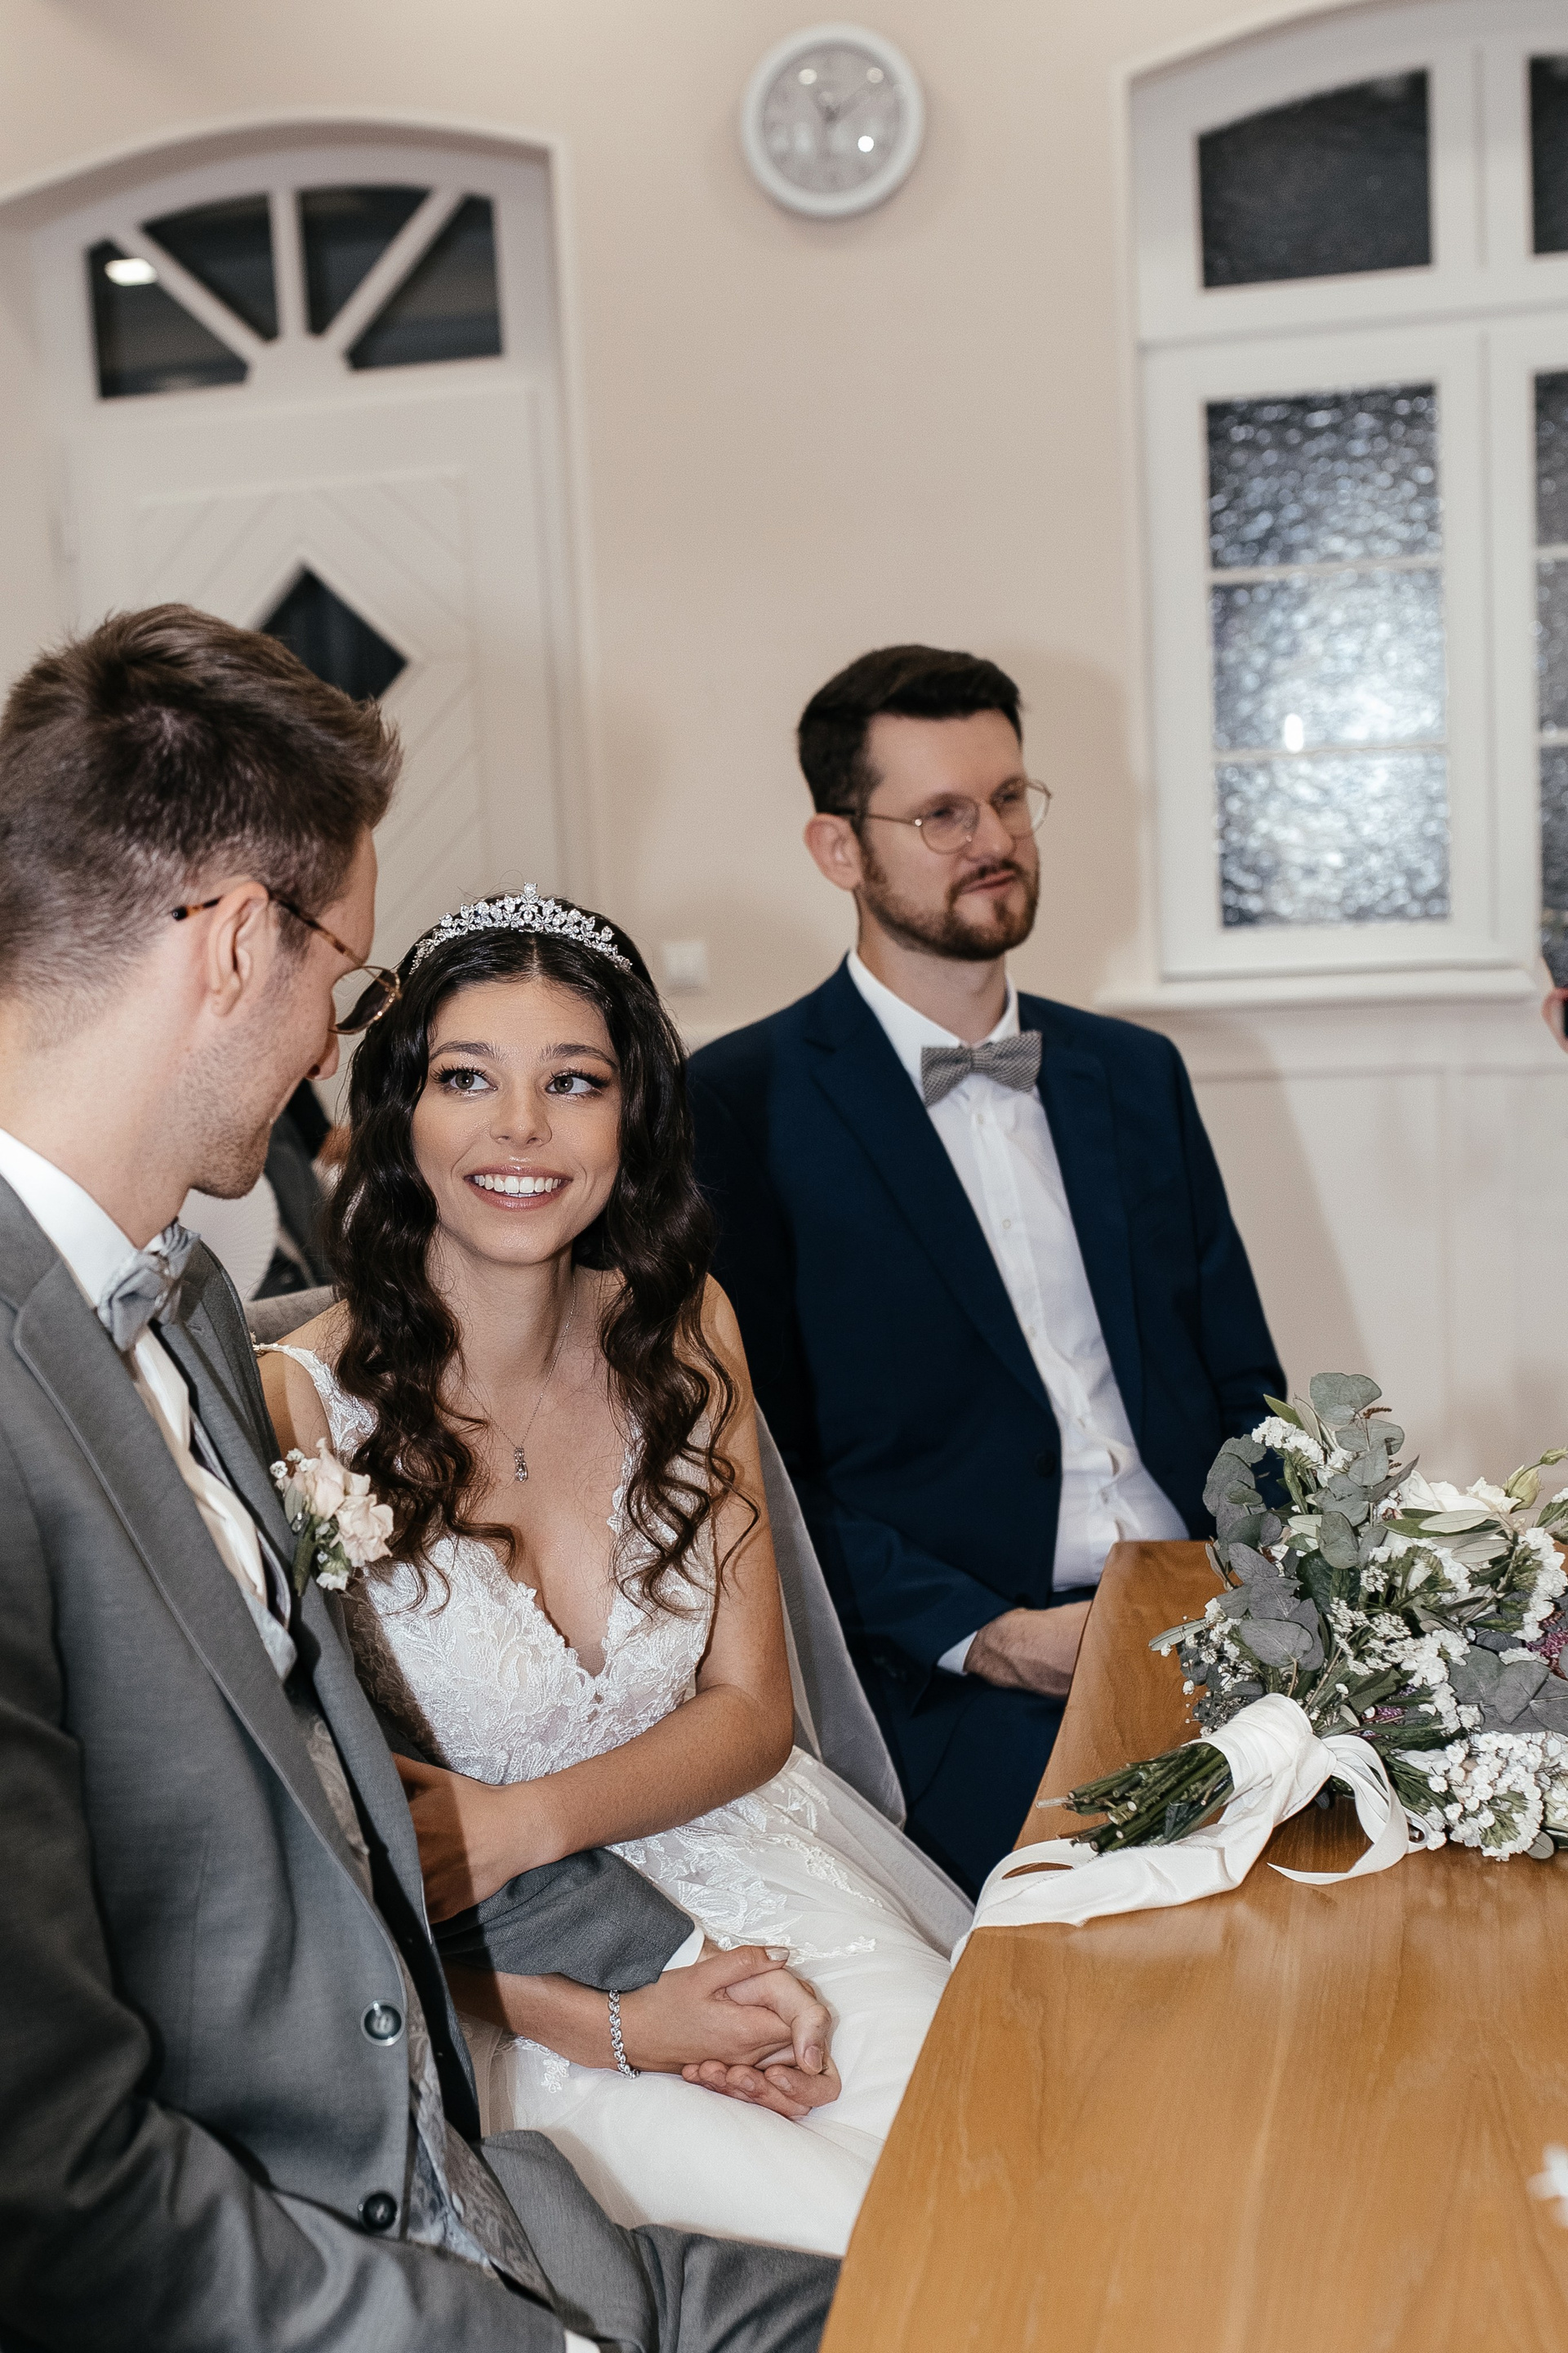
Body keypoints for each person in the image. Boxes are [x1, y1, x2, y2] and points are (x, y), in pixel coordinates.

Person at [0, 605, 836, 2353]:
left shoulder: (184, 1306)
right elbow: (62, 2196)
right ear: (243, 942)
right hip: (324, 2287)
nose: (334, 1041)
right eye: (345, 975)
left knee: (984, 2280)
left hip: (479, 2195)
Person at [261, 886, 958, 2261]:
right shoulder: (295, 1407)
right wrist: (622, 2024)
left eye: (573, 1081)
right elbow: (324, 1875)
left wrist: (519, 1821)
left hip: (751, 1860)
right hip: (509, 1981)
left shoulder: (688, 1329)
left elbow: (752, 1710)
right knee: (830, 2249)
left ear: (632, 1114)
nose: (521, 1127)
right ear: (399, 1112)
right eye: (468, 1078)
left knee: (986, 2146)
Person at [686, 644, 1285, 1896]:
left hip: (1213, 1603)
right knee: (1147, 1920)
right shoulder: (739, 1103)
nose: (995, 839)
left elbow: (1245, 1381)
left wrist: (1292, 1575)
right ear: (837, 848)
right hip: (959, 1672)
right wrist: (994, 1638)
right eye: (943, 814)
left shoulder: (1135, 1074)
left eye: (1010, 798)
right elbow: (759, 1472)